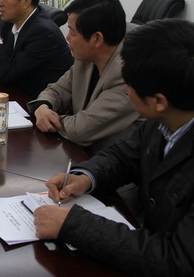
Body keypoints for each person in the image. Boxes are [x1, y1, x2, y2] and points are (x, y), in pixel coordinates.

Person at [34, 19, 194, 276]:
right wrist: (85, 177)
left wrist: (73, 224)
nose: (125, 89)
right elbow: (125, 155)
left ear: (159, 101)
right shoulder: (165, 118)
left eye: (129, 84)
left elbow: (176, 259)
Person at [27, 0, 143, 154]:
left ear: (97, 39)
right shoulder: (86, 58)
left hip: (110, 162)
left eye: (73, 33)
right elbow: (57, 90)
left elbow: (81, 130)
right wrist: (42, 107)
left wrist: (51, 118)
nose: (67, 38)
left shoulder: (128, 76)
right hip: (77, 152)